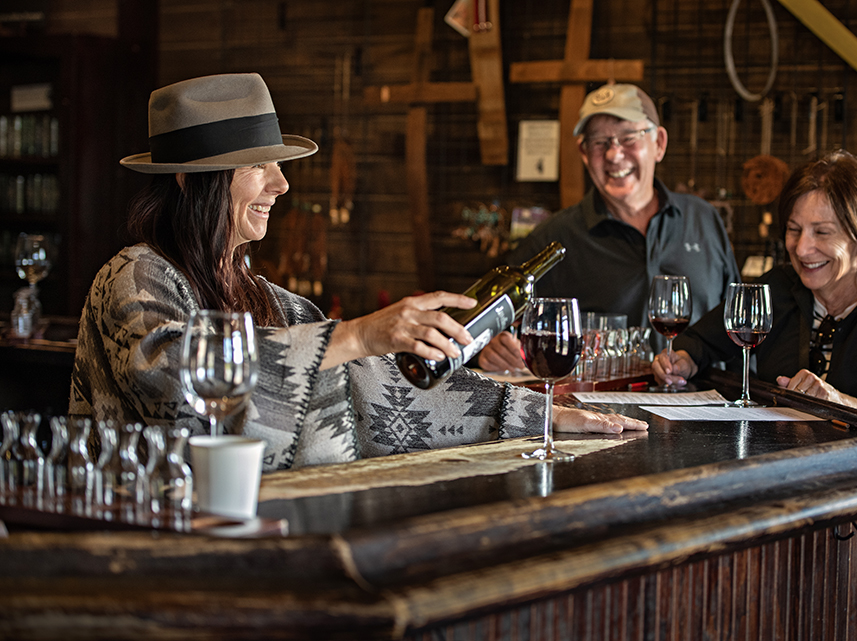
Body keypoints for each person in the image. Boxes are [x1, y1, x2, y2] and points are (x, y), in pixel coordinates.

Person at [68, 73, 647, 471]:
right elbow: (174, 382)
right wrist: (358, 333)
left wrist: (543, 414)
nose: (281, 184)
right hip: (154, 544)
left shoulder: (274, 303)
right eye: (258, 166)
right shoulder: (136, 276)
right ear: (190, 180)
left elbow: (380, 387)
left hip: (275, 530)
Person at [653, 150, 857, 641]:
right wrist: (683, 357)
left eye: (822, 232)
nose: (802, 247)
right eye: (794, 229)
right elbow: (707, 337)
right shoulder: (779, 289)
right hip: (782, 525)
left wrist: (846, 404)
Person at [477, 83, 740, 372]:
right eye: (599, 142)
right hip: (602, 413)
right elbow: (480, 324)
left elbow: (738, 321)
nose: (614, 155)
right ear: (584, 152)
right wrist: (489, 347)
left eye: (629, 137)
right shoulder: (556, 236)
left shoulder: (703, 219)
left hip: (704, 407)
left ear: (659, 144)